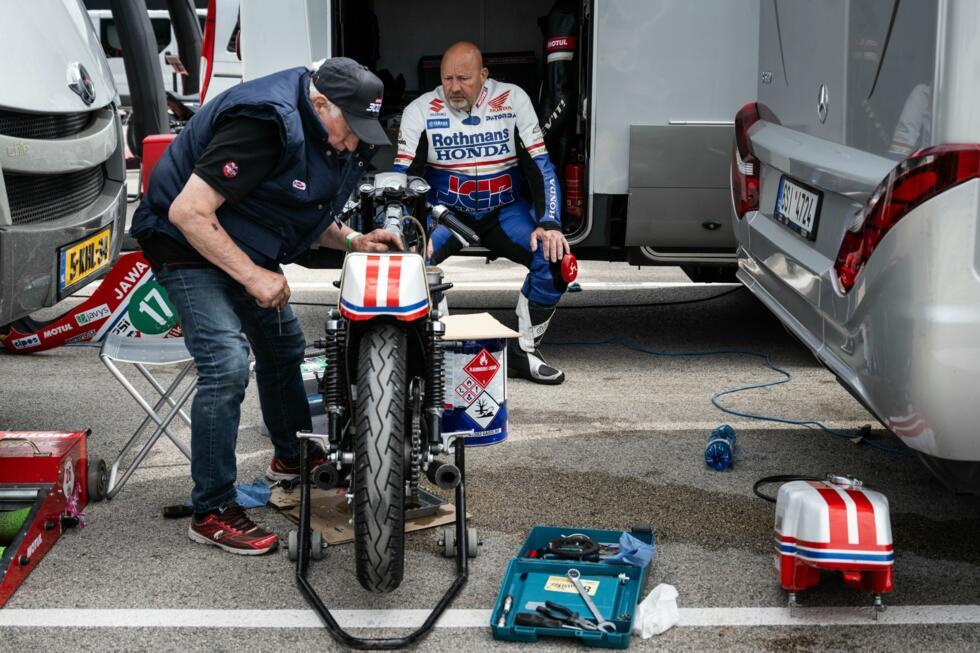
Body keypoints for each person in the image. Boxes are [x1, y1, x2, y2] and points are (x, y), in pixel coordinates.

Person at [130, 58, 401, 556]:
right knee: (227, 363)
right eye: (349, 129)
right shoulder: (264, 122)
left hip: (236, 236)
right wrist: (254, 276)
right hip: (185, 241)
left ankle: (292, 459)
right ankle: (212, 509)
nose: (352, 144)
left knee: (283, 347)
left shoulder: (322, 124)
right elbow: (189, 212)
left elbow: (295, 204)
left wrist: (353, 240)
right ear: (320, 103)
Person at [394, 41, 571, 384]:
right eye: (447, 79)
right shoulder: (420, 109)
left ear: (484, 75)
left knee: (556, 260)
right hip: (447, 213)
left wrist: (549, 222)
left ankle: (525, 352)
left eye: (463, 78)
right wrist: (411, 231)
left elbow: (540, 165)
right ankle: (435, 357)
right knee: (411, 260)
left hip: (504, 211)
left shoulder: (512, 99)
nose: (454, 87)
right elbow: (404, 178)